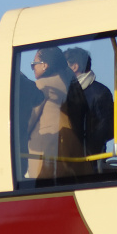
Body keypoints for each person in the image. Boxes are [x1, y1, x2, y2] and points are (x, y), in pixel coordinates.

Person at [25, 46, 89, 180]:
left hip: (46, 150)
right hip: (72, 147)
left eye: (33, 65)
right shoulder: (71, 85)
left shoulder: (42, 85)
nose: (32, 68)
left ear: (44, 65)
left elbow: (28, 120)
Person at [64, 47, 115, 155]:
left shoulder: (100, 93)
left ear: (74, 67)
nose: (61, 71)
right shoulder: (63, 93)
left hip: (90, 162)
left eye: (64, 65)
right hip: (66, 159)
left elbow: (108, 129)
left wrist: (82, 147)